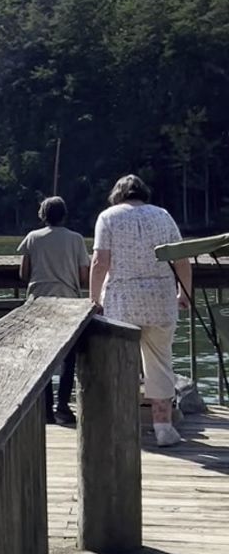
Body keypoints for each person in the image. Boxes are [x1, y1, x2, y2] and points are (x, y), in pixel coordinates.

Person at [90, 174, 192, 447]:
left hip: (122, 300)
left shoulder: (108, 217)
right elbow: (182, 258)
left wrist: (93, 298)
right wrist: (184, 293)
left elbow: (100, 261)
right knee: (160, 364)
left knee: (121, 364)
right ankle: (163, 428)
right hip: (160, 300)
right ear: (143, 193)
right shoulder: (163, 215)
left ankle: (121, 427)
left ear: (117, 195)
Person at [18, 196, 90, 426]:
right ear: (64, 215)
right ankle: (63, 407)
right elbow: (83, 276)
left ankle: (45, 409)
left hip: (38, 302)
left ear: (43, 215)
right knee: (68, 359)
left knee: (42, 358)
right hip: (68, 302)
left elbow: (23, 273)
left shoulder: (32, 238)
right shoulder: (76, 239)